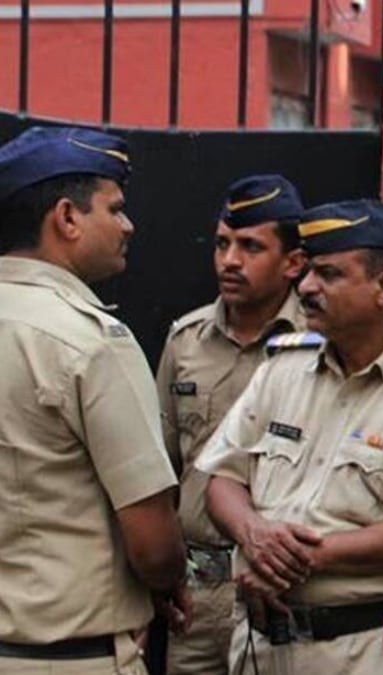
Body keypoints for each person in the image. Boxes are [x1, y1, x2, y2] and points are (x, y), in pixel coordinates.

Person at [196, 199, 383, 674]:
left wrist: (290, 561)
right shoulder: (282, 367)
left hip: (364, 649)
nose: (305, 287)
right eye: (306, 272)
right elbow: (222, 475)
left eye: (328, 275)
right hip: (262, 647)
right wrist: (254, 534)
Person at [0, 126, 188, 674]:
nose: (127, 226)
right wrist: (170, 579)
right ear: (67, 218)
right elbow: (153, 544)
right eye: (116, 208)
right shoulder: (89, 341)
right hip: (69, 656)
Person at [156, 174, 306, 675]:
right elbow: (161, 467)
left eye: (250, 246)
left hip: (281, 590)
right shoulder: (187, 341)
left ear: (293, 263)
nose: (230, 260)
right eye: (222, 244)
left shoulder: (319, 345)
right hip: (196, 595)